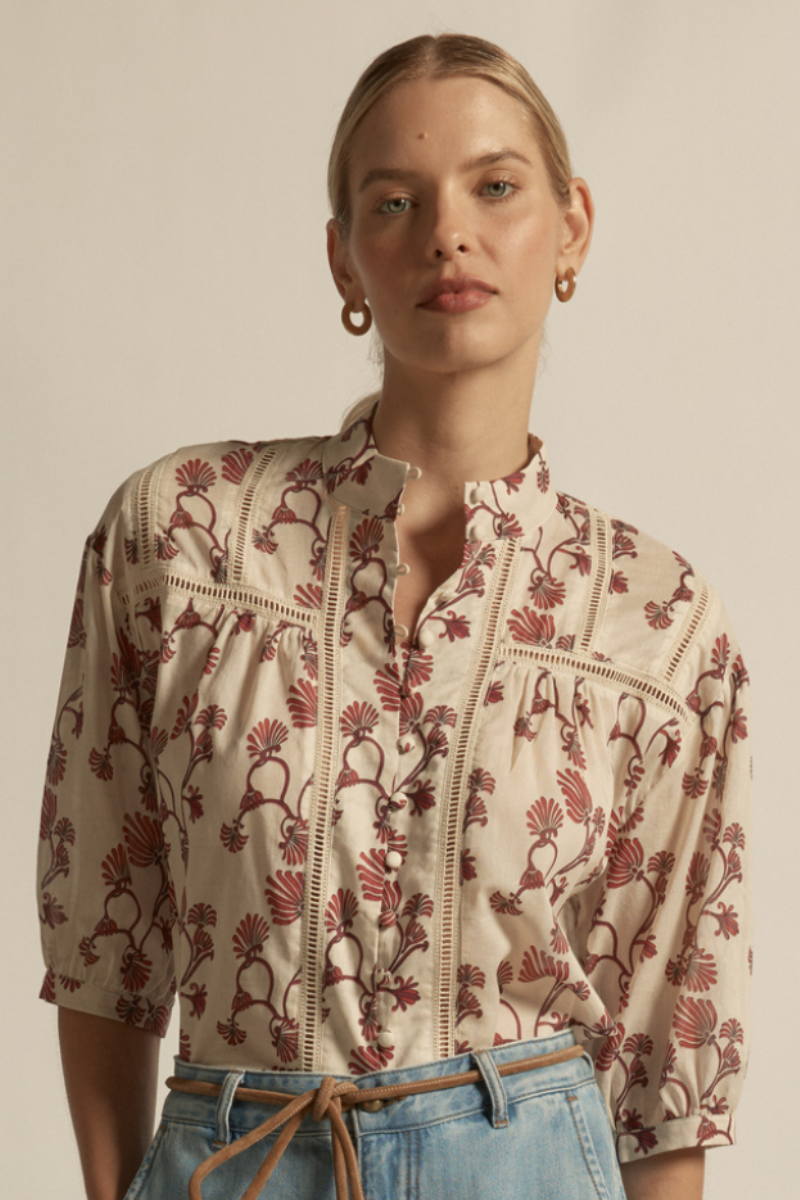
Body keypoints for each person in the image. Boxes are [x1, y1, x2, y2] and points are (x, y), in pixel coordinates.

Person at [37, 32, 751, 1200]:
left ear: (569, 225)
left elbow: (664, 1057)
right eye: (393, 200)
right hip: (238, 1161)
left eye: (494, 187)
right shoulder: (177, 537)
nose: (445, 234)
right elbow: (103, 948)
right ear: (341, 257)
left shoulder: (655, 619)